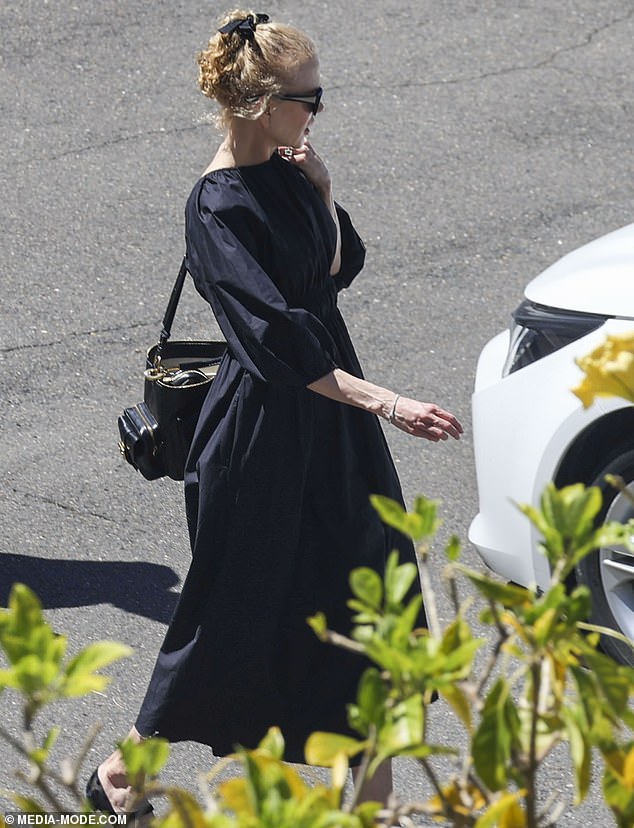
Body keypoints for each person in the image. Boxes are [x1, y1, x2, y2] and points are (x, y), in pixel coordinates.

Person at [86, 8, 463, 814]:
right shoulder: (216, 207)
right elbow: (275, 338)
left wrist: (323, 189)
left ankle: (372, 805)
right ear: (260, 103)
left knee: (377, 600)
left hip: (334, 429)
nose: (318, 111)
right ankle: (121, 775)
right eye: (308, 98)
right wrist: (388, 402)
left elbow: (330, 272)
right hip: (260, 440)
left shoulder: (292, 176)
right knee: (233, 619)